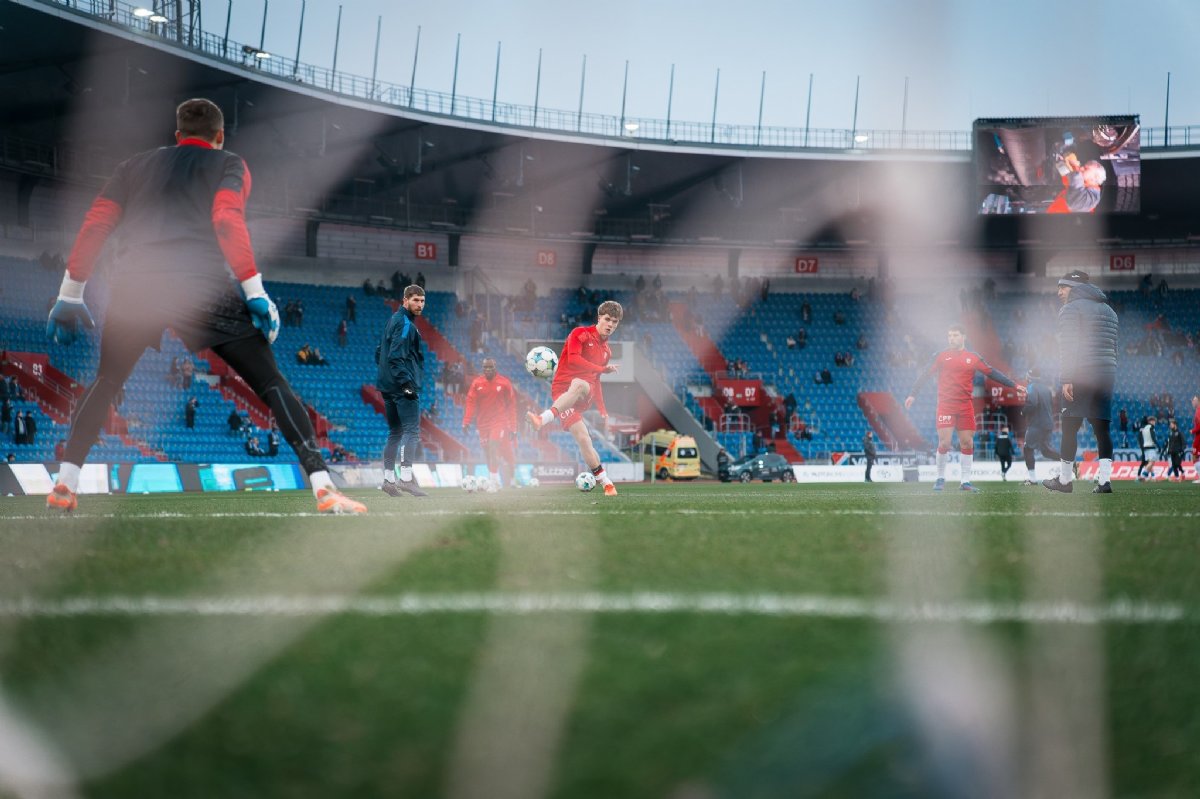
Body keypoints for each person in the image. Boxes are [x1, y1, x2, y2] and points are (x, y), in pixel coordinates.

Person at [43, 98, 364, 514]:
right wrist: (255, 291)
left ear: (177, 135)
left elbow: (97, 222)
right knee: (271, 383)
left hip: (137, 286)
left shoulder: (132, 167)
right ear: (220, 136)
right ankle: (322, 486)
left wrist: (70, 293)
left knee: (105, 381)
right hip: (201, 285)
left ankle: (65, 485)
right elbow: (226, 219)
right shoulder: (229, 164)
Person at [526, 300, 623, 496]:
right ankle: (606, 483)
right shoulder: (579, 333)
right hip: (561, 392)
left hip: (584, 392)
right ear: (599, 318)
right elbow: (574, 359)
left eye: (615, 321)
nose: (610, 325)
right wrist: (602, 369)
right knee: (583, 439)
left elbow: (596, 380)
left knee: (579, 383)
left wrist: (602, 408)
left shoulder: (606, 351)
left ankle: (542, 419)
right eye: (607, 319)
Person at [904, 323, 1017, 492]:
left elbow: (992, 372)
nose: (951, 338)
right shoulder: (941, 356)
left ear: (963, 336)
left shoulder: (973, 357)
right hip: (946, 405)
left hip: (965, 406)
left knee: (967, 442)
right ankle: (940, 478)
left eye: (955, 335)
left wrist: (1013, 385)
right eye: (949, 335)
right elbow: (925, 374)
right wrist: (913, 394)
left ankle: (965, 482)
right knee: (945, 442)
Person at [1042, 270, 1119, 494]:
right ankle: (1104, 482)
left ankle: (1065, 481)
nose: (1059, 292)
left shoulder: (1070, 309)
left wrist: (1067, 378)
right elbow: (1114, 347)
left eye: (1063, 287)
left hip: (1082, 373)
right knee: (1102, 429)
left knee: (1069, 426)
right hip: (1106, 373)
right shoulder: (1110, 310)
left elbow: (1069, 346)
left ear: (1075, 288)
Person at [376, 284, 428, 498]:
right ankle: (406, 478)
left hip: (387, 386)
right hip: (401, 386)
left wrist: (387, 375)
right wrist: (406, 384)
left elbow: (379, 351)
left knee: (395, 432)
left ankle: (389, 480)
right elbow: (395, 356)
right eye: (415, 300)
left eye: (422, 301)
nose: (419, 304)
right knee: (411, 431)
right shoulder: (405, 323)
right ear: (405, 300)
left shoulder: (393, 320)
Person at [462, 357, 519, 489]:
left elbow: (511, 406)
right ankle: (495, 479)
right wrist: (466, 421)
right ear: (482, 369)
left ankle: (495, 481)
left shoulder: (504, 383)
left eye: (490, 367)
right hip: (482, 424)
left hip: (499, 422)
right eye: (485, 367)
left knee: (494, 448)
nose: (488, 370)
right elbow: (470, 402)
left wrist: (513, 427)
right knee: (487, 453)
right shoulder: (477, 383)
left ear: (495, 368)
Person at [1020, 367, 1063, 486]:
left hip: (1036, 424)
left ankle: (1033, 479)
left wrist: (1023, 411)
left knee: (1028, 448)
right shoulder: (1047, 389)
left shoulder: (1031, 387)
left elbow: (1032, 403)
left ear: (1030, 376)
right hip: (1048, 423)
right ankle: (1069, 462)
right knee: (1046, 451)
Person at [1137, 416, 1159, 482]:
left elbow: (1141, 437)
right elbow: (1153, 437)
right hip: (1151, 446)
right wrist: (1158, 445)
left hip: (1145, 446)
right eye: (1154, 421)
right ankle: (1143, 475)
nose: (1154, 422)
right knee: (1152, 462)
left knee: (1149, 463)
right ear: (1151, 421)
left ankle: (1153, 477)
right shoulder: (1151, 427)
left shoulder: (1144, 428)